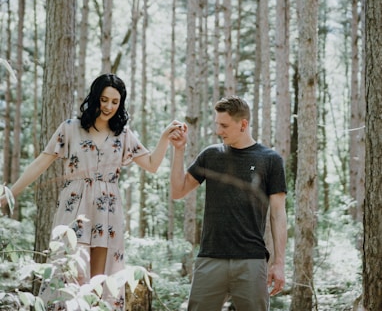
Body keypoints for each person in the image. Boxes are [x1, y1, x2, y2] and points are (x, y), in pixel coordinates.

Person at [0, 73, 182, 310]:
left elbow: (152, 164)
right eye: (104, 99)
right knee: (69, 272)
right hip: (74, 207)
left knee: (100, 280)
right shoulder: (70, 129)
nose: (108, 106)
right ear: (94, 98)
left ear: (121, 104)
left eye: (115, 102)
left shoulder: (123, 134)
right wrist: (10, 194)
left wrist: (164, 138)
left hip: (108, 211)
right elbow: (40, 163)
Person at [169, 95, 287, 311]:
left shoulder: (270, 160)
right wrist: (179, 150)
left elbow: (278, 214)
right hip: (210, 258)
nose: (218, 131)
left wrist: (279, 263)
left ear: (243, 124)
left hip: (251, 260)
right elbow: (178, 191)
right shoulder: (211, 156)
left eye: (224, 125)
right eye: (217, 124)